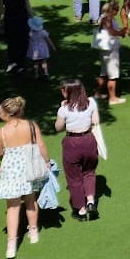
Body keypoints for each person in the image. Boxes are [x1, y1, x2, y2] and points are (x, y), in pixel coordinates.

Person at [0, 97, 49, 259]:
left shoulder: (1, 132)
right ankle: (33, 231)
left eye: (0, 112)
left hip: (11, 170)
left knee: (12, 207)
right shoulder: (31, 126)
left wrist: (2, 164)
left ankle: (11, 244)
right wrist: (47, 163)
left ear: (8, 115)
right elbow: (41, 145)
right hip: (30, 167)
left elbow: (0, 153)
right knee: (31, 200)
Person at [55, 80, 101, 221]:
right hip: (88, 139)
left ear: (67, 92)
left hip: (72, 142)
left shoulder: (64, 110)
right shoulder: (91, 103)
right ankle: (91, 201)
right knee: (89, 172)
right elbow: (95, 121)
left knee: (74, 177)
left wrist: (62, 111)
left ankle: (80, 210)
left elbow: (58, 127)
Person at [94, 0, 124, 105]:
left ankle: (97, 93)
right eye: (116, 9)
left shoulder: (103, 16)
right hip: (110, 50)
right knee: (112, 75)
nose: (117, 11)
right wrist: (122, 32)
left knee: (104, 73)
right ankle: (113, 98)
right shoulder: (108, 18)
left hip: (104, 49)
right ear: (112, 9)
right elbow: (111, 31)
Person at [0, 0, 30, 71]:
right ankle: (20, 64)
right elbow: (28, 6)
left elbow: (1, 8)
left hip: (9, 19)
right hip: (22, 18)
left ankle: (12, 62)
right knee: (22, 42)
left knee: (11, 42)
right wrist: (33, 18)